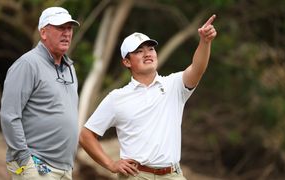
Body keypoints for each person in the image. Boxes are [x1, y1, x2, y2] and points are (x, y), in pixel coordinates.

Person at [79, 14, 217, 180]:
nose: (147, 54)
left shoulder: (174, 85)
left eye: (150, 49)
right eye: (139, 51)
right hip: (136, 175)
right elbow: (86, 135)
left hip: (172, 175)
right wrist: (111, 164)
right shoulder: (116, 98)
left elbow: (197, 68)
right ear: (127, 62)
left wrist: (204, 42)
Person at [0, 7, 80, 180]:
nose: (67, 33)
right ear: (43, 32)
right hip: (36, 166)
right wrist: (24, 161)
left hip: (65, 169)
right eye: (61, 28)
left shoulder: (70, 68)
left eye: (69, 28)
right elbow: (9, 116)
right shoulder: (27, 64)